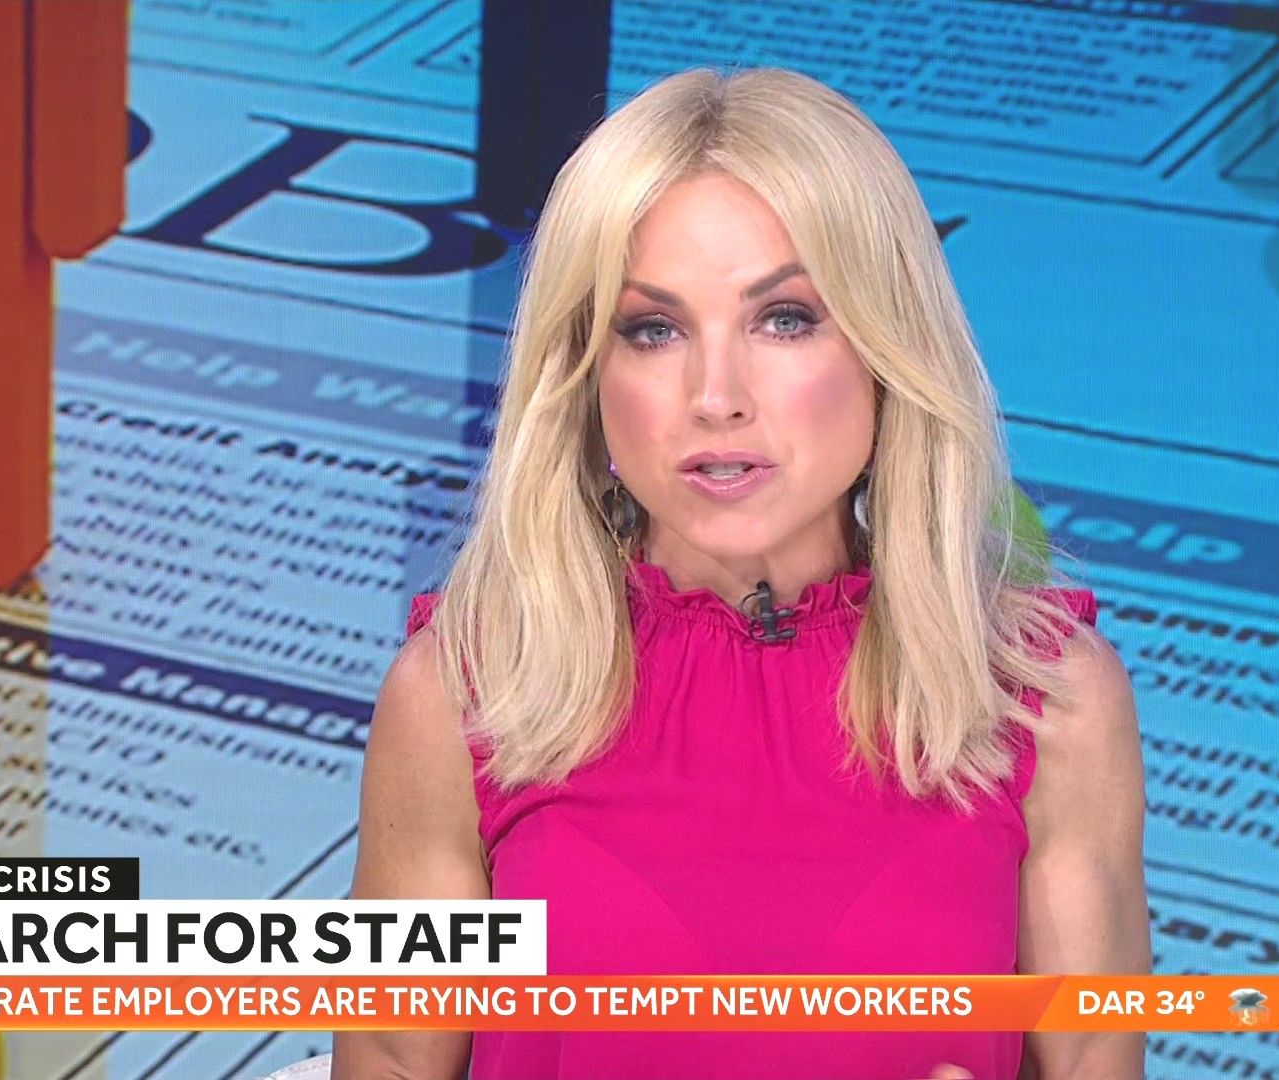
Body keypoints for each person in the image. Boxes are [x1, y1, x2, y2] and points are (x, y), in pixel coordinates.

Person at [334, 65, 1149, 1080]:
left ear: (887, 350)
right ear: (586, 374)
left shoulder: (1050, 701)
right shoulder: (463, 693)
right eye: (654, 329)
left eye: (785, 319)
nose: (715, 396)